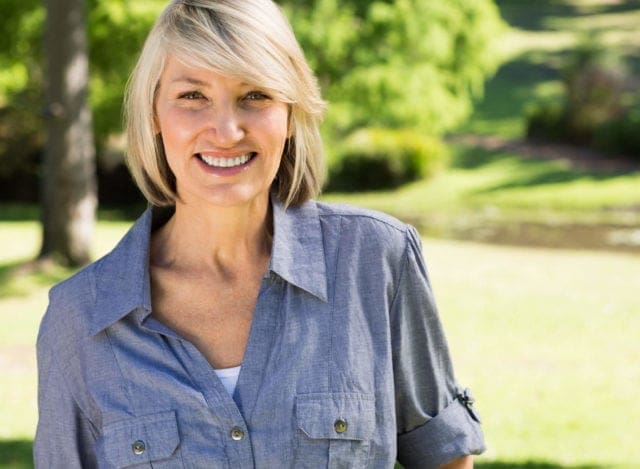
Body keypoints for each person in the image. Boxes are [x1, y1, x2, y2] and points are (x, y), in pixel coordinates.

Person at [33, 0, 485, 467]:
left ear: (291, 113)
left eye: (255, 96)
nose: (226, 131)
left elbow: (445, 458)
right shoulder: (81, 320)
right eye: (193, 96)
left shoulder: (375, 261)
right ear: (153, 115)